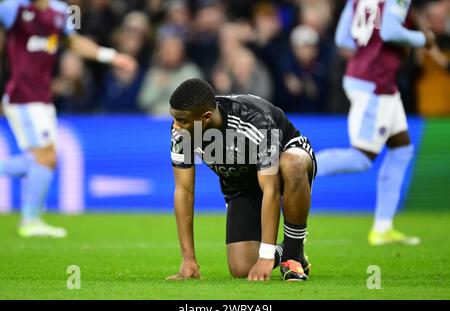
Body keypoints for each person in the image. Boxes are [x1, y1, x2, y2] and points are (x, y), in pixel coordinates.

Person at [0, 0, 136, 237]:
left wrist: (110, 56)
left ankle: (31, 219)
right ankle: (30, 220)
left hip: (42, 98)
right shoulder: (14, 8)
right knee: (46, 157)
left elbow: (74, 42)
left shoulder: (61, 12)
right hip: (22, 97)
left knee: (42, 160)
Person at [167, 78, 317, 281]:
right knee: (242, 269)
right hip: (241, 183)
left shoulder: (254, 120)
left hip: (281, 165)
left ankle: (293, 253)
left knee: (293, 164)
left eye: (182, 120)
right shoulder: (181, 132)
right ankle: (288, 250)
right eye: (174, 118)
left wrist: (265, 256)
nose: (176, 126)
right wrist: (188, 258)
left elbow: (270, 189)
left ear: (206, 117)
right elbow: (184, 191)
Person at [316, 0, 435, 246]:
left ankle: (383, 227)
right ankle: (293, 165)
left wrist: (366, 52)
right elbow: (391, 31)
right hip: (375, 85)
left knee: (402, 149)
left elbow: (342, 39)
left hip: (375, 82)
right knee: (361, 158)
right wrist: (423, 39)